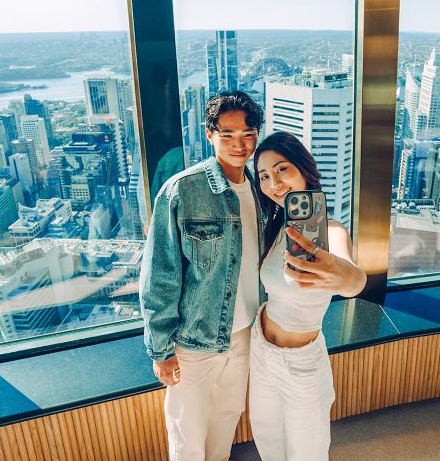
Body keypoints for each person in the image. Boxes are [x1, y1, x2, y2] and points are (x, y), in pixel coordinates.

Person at [139, 91, 266, 461]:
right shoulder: (182, 190)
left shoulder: (261, 189)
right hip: (193, 340)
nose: (239, 144)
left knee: (227, 416)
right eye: (227, 134)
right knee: (187, 432)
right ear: (210, 134)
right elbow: (159, 275)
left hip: (244, 333)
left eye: (248, 133)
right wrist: (161, 351)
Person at [250, 131, 367, 460]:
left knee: (307, 452)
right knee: (267, 438)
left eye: (282, 169)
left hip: (300, 362)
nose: (274, 183)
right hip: (260, 346)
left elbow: (354, 279)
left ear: (303, 168)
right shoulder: (277, 227)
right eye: (264, 176)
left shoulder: (331, 231)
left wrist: (341, 274)